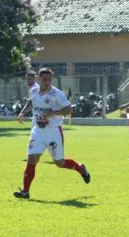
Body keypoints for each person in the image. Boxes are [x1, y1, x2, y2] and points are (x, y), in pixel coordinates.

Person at [14, 68, 90, 199]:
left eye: (49, 79)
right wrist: (22, 112)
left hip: (53, 131)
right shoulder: (33, 91)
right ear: (39, 79)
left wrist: (52, 113)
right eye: (45, 79)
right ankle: (25, 191)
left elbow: (69, 109)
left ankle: (80, 168)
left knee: (59, 163)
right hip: (37, 131)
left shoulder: (56, 93)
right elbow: (31, 101)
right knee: (32, 160)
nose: (47, 81)